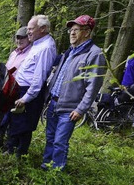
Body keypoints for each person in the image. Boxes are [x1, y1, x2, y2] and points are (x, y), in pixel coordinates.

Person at [41, 15, 106, 171]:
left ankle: (56, 172)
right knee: (50, 138)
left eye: (76, 29)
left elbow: (93, 86)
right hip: (54, 103)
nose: (72, 33)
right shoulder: (70, 52)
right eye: (71, 29)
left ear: (87, 32)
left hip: (70, 108)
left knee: (60, 142)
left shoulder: (95, 54)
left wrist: (81, 108)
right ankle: (46, 166)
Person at [6, 15, 57, 158]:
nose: (28, 32)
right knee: (15, 122)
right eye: (27, 29)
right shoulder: (38, 44)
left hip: (28, 91)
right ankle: (11, 151)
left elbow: (39, 77)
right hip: (21, 88)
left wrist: (26, 97)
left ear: (43, 29)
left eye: (30, 29)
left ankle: (19, 156)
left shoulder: (46, 47)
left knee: (24, 125)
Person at [0, 26, 32, 149]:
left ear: (29, 38)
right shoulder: (14, 53)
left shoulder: (31, 53)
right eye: (17, 37)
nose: (19, 40)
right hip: (7, 91)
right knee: (4, 117)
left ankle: (15, 148)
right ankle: (5, 142)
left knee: (18, 120)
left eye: (22, 37)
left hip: (20, 90)